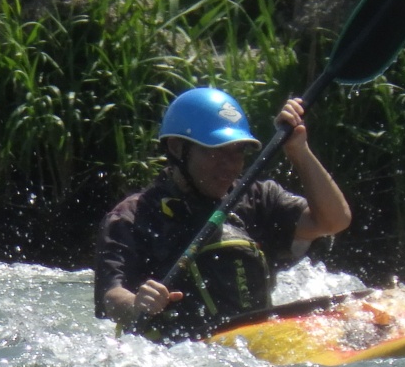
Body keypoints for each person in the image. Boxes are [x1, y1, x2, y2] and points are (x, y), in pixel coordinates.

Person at [95, 87, 352, 340]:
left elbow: (333, 221)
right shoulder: (132, 217)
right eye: (215, 150)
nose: (229, 165)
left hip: (256, 346)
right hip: (180, 352)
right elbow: (111, 297)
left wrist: (299, 150)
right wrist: (136, 304)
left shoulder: (257, 198)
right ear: (177, 148)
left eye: (238, 150)